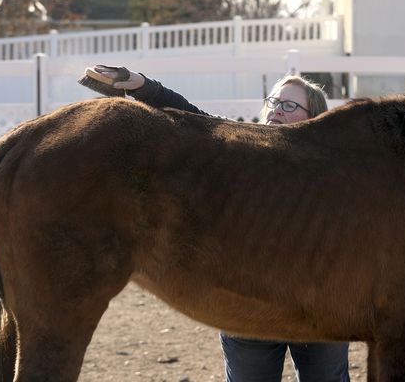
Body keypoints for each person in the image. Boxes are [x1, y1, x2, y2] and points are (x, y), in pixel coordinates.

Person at [83, 64, 350, 382]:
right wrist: (142, 86)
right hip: (250, 307)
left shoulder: (332, 169)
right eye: (273, 101)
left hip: (319, 309)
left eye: (289, 105)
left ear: (313, 116)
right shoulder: (241, 151)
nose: (276, 109)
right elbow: (191, 118)